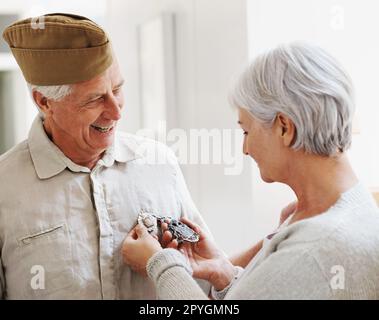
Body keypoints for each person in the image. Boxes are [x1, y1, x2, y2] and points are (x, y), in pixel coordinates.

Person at [122, 42, 379, 299]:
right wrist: (226, 274)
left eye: (246, 131)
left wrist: (160, 263)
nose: (245, 149)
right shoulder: (352, 209)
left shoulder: (311, 249)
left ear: (284, 128)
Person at [0, 13, 211, 299]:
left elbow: (206, 281)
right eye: (95, 98)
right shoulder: (5, 187)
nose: (116, 111)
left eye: (117, 89)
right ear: (45, 101)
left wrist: (276, 244)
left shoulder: (160, 163)